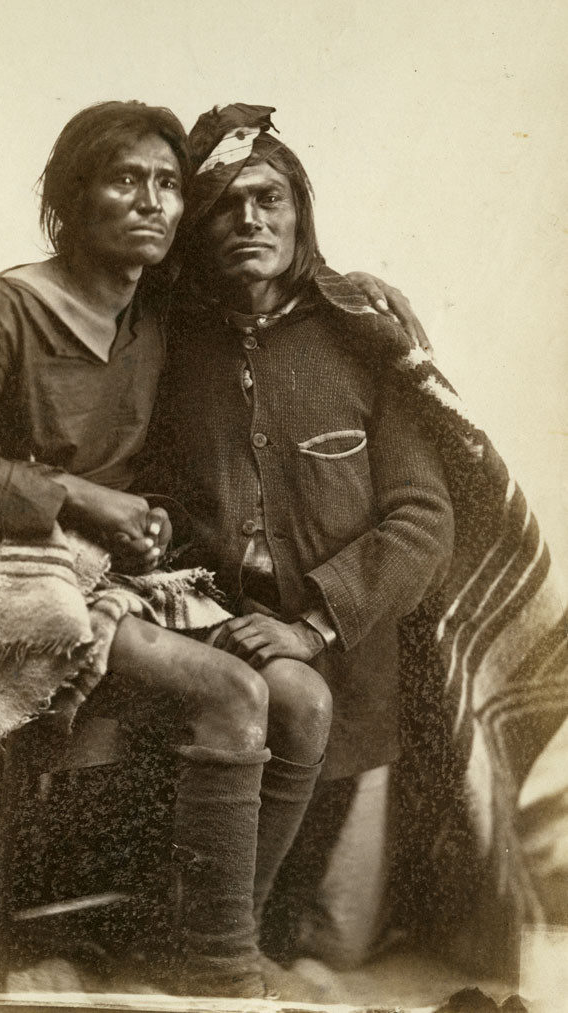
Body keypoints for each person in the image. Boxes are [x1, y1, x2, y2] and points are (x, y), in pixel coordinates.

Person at [0, 100, 429, 997]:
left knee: (302, 696)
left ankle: (206, 939)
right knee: (236, 691)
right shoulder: (3, 310)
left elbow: (265, 288)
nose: (152, 202)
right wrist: (78, 498)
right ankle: (223, 972)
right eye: (125, 180)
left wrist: (354, 290)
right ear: (71, 197)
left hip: (113, 575)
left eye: (169, 184)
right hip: (10, 573)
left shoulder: (151, 316)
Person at [143, 103, 456, 973]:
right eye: (225, 204)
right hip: (221, 646)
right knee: (208, 915)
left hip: (348, 677)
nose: (249, 219)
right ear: (196, 229)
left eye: (269, 198)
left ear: (299, 214)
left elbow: (425, 519)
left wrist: (313, 625)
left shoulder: (365, 338)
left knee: (329, 941)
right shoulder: (168, 341)